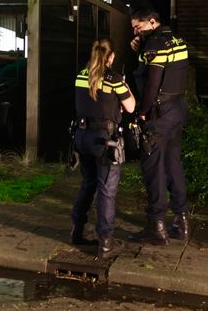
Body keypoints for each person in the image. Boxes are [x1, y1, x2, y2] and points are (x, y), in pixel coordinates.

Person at [128, 8, 191, 245]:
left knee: (153, 169)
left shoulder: (154, 45)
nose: (135, 31)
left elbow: (153, 82)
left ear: (152, 22)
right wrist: (140, 49)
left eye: (138, 26)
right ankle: (182, 223)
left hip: (159, 113)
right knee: (173, 165)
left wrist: (142, 113)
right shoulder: (176, 40)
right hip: (177, 109)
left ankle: (156, 226)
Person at [71, 38, 135, 259]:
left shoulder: (81, 75)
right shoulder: (114, 79)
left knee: (87, 184)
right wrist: (124, 86)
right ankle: (106, 243)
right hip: (105, 142)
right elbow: (131, 106)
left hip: (82, 138)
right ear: (111, 56)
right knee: (106, 191)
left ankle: (77, 231)